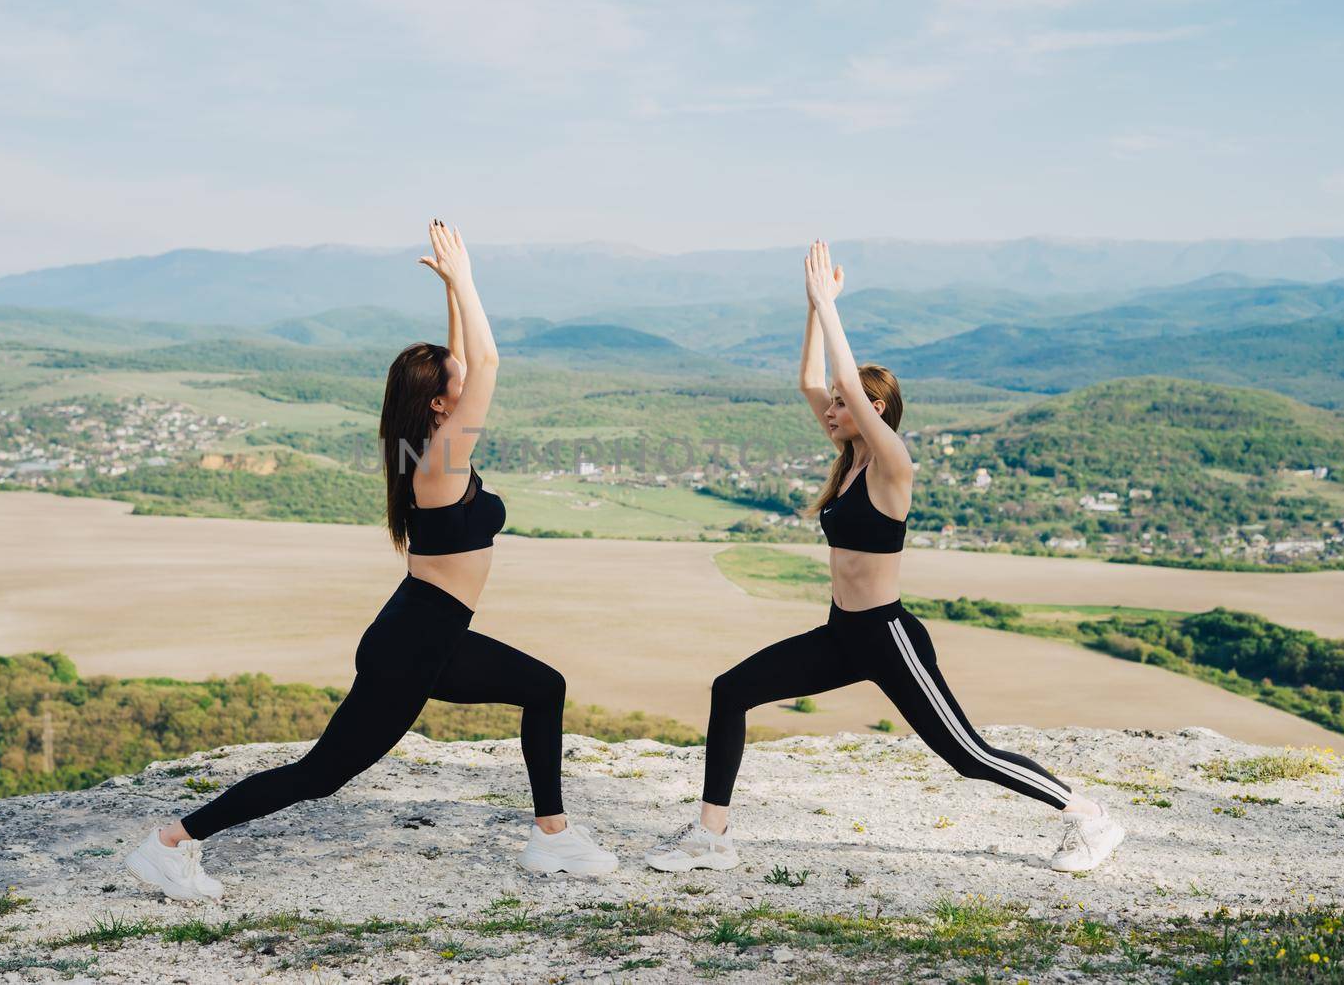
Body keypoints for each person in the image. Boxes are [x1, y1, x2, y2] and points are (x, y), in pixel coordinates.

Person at [125, 221, 618, 901]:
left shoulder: (431, 447)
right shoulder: (440, 460)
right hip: (412, 643)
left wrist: (451, 289)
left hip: (431, 634)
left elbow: (468, 366)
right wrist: (468, 280)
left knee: (544, 686)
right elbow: (490, 365)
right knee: (321, 773)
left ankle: (553, 836)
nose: (466, 380)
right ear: (441, 404)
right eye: (454, 382)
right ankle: (170, 842)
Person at [645, 240, 1124, 875]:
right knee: (731, 691)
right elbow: (810, 381)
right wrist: (814, 310)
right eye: (836, 405)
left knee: (968, 755)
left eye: (845, 406)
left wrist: (828, 300)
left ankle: (1090, 818)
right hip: (842, 634)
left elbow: (839, 381)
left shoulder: (892, 465)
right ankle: (711, 836)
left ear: (875, 411)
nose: (831, 410)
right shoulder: (850, 464)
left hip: (889, 637)